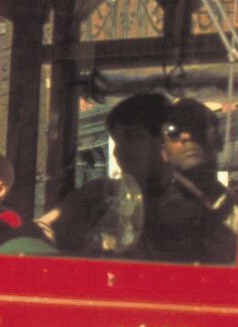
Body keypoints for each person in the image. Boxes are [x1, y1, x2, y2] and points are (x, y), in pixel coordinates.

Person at [39, 91, 172, 255]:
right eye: (116, 140)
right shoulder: (98, 195)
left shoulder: (186, 205)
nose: (118, 152)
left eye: (132, 137)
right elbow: (50, 231)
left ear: (165, 142)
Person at [143, 98, 237, 264]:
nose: (187, 136)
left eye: (198, 127)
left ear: (219, 141)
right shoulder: (151, 217)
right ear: (164, 152)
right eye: (173, 132)